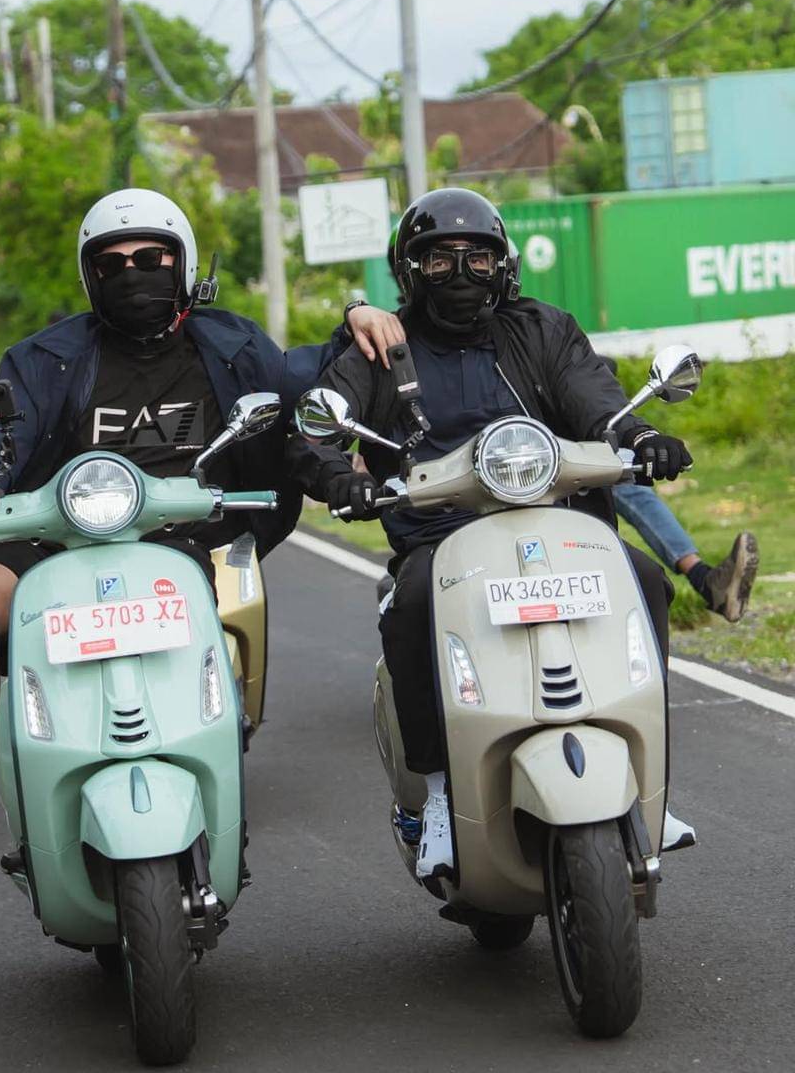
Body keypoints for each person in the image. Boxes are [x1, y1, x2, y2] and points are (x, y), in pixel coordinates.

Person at [0, 188, 403, 877]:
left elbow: (297, 382)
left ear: (182, 263)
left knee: (216, 611)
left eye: (152, 257)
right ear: (90, 275)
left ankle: (215, 783)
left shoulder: (234, 344)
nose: (134, 273)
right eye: (113, 262)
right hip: (55, 528)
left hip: (179, 529)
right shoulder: (47, 357)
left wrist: (354, 317)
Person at [289, 187, 696, 877]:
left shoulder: (542, 328)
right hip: (441, 536)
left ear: (502, 264)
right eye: (439, 259)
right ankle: (441, 794)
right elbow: (314, 426)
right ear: (408, 269)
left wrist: (641, 433)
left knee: (646, 580)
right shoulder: (383, 346)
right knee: (412, 609)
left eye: (477, 258)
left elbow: (593, 395)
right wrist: (339, 477)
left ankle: (645, 778)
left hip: (558, 519)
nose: (459, 274)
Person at [597, 358, 759, 623]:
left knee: (624, 478)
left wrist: (641, 437)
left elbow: (584, 379)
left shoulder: (548, 329)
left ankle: (706, 581)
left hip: (569, 445)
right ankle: (705, 581)